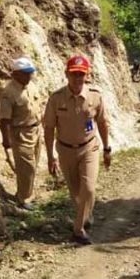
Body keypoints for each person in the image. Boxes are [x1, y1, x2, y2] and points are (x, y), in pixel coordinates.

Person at [44, 54, 112, 245]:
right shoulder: (56, 99)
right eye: (74, 74)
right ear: (67, 74)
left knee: (88, 189)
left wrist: (107, 149)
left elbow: (103, 123)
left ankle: (78, 230)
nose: (77, 78)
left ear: (86, 75)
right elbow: (49, 128)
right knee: (75, 193)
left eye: (81, 74)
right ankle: (85, 215)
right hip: (65, 150)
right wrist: (50, 156)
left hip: (89, 148)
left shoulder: (95, 96)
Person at [0, 57, 41, 210]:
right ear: (16, 74)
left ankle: (27, 193)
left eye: (30, 73)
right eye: (26, 73)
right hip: (21, 134)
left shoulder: (31, 86)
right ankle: (23, 198)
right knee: (26, 167)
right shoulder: (8, 93)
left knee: (33, 164)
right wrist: (6, 139)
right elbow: (4, 120)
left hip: (36, 130)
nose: (29, 76)